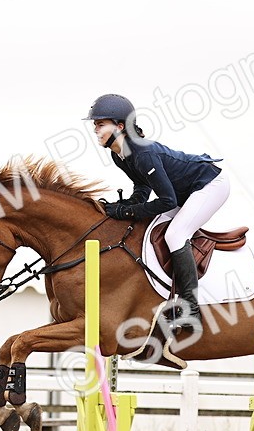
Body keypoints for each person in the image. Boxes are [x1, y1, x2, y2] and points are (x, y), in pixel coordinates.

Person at [84, 93, 229, 326]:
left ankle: (191, 307)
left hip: (209, 185)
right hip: (183, 193)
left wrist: (125, 212)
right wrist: (128, 204)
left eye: (100, 124)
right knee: (149, 227)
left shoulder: (143, 153)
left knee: (175, 234)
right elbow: (142, 185)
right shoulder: (119, 155)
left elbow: (167, 201)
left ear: (120, 126)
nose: (95, 130)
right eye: (95, 125)